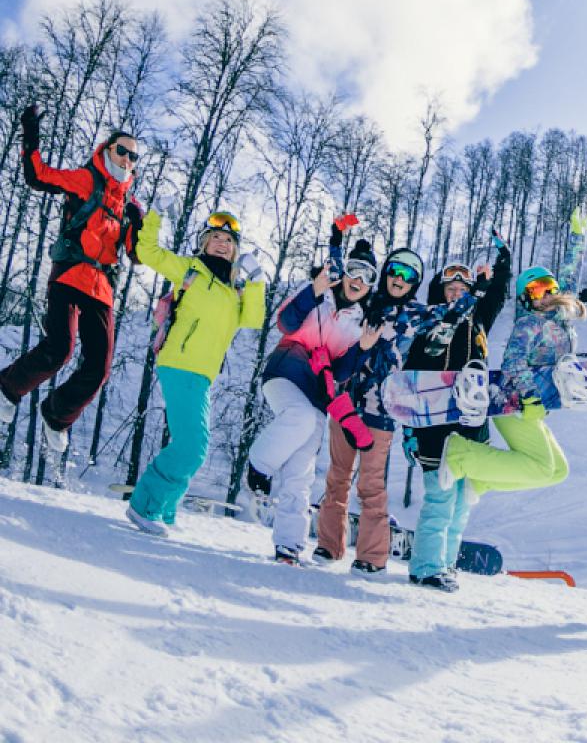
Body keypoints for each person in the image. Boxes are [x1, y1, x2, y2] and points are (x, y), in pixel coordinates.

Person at [0, 107, 143, 455]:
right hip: (69, 274)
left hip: (102, 289)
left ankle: (56, 414)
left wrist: (140, 225)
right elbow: (38, 175)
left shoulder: (129, 205)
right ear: (106, 151)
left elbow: (136, 254)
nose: (126, 159)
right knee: (60, 349)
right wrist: (30, 130)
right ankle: (7, 388)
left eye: (133, 156)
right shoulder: (85, 179)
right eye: (120, 150)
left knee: (99, 368)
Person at [124, 209, 266, 536]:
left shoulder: (234, 291)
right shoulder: (190, 268)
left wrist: (256, 281)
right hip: (179, 362)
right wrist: (154, 218)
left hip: (202, 375)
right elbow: (149, 253)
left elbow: (252, 320)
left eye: (228, 240)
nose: (221, 244)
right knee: (193, 444)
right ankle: (144, 506)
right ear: (204, 242)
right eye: (215, 237)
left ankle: (166, 512)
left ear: (235, 249)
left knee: (194, 444)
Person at [247, 226, 383, 564]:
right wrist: (315, 288)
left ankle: (289, 545)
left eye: (367, 276)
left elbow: (339, 372)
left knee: (302, 467)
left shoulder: (358, 321)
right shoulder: (319, 295)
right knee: (301, 418)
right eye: (354, 271)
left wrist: (363, 350)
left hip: (317, 393)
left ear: (370, 285)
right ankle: (258, 465)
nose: (358, 280)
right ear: (345, 273)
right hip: (286, 371)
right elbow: (285, 322)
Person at [436, 210, 587, 498]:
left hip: (531, 407)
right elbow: (512, 363)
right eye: (536, 291)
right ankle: (462, 454)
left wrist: (577, 237)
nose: (546, 295)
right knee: (542, 467)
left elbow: (571, 273)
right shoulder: (528, 324)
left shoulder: (560, 317)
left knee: (558, 471)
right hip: (513, 402)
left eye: (549, 289)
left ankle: (481, 481)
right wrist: (531, 396)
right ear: (525, 297)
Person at [404, 237, 512, 592]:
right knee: (440, 495)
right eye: (450, 288)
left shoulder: (477, 324)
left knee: (463, 497)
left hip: (471, 420)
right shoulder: (428, 322)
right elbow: (411, 377)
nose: (455, 294)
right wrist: (409, 430)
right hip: (435, 422)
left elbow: (495, 296)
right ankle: (425, 566)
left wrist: (503, 262)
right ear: (440, 292)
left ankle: (445, 564)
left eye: (461, 288)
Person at [312, 246, 425, 579]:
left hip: (382, 409)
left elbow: (451, 315)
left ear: (415, 282)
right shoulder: (367, 304)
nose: (398, 279)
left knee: (372, 484)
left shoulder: (417, 314)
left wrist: (481, 290)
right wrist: (337, 243)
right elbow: (337, 288)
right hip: (347, 403)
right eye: (394, 271)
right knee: (337, 476)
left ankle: (372, 556)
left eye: (407, 275)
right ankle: (328, 545)